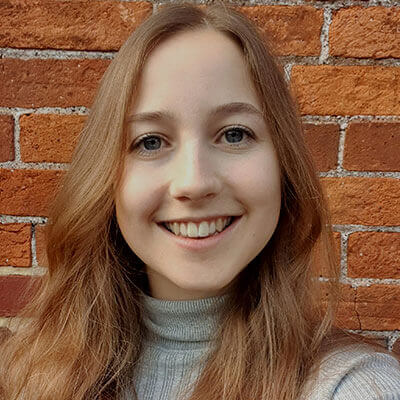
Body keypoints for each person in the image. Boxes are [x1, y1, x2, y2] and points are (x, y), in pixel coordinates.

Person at [1, 3, 400, 400]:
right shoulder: (28, 374)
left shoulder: (352, 387)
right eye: (150, 141)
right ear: (105, 176)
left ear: (283, 163)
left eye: (234, 134)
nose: (193, 182)